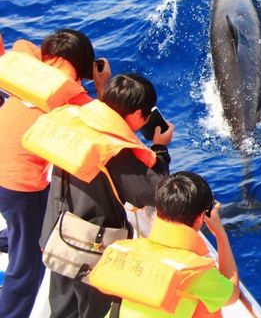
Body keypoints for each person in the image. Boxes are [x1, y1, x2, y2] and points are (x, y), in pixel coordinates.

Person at [39, 73, 175, 318]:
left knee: (61, 308)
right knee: (95, 311)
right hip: (89, 246)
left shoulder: (77, 120)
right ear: (135, 115)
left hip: (56, 234)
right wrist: (160, 149)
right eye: (145, 114)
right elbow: (153, 193)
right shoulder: (114, 151)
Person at [0, 29, 110, 318]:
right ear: (85, 66)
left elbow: (28, 46)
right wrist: (102, 87)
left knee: (28, 221)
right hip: (19, 186)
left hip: (2, 171)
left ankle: (14, 234)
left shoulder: (23, 60)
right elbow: (104, 129)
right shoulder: (74, 99)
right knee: (27, 268)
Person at [89, 171, 243, 318]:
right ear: (201, 217)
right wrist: (220, 235)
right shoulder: (193, 273)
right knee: (207, 306)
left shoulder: (127, 249)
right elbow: (232, 295)